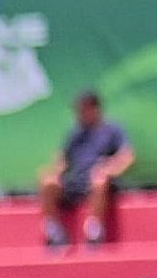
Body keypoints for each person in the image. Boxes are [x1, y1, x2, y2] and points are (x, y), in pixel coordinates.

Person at [38, 91, 133, 249]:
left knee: (99, 179)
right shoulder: (75, 134)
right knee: (48, 182)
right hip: (76, 182)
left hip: (101, 185)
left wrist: (110, 169)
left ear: (95, 108)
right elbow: (62, 159)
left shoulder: (113, 130)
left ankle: (94, 232)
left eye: (83, 109)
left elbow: (128, 156)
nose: (80, 114)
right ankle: (54, 234)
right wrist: (54, 170)